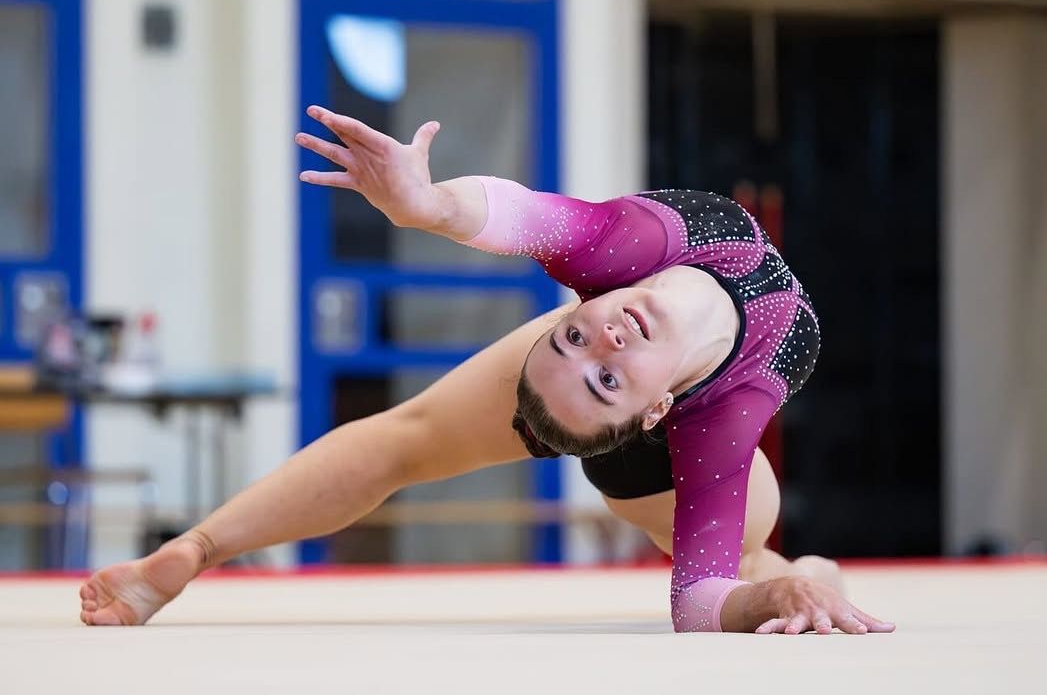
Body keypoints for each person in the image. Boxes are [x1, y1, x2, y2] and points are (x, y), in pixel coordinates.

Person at [78, 106, 895, 635]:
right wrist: (428, 207)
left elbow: (698, 603)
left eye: (594, 361)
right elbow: (518, 214)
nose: (603, 341)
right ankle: (192, 551)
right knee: (410, 438)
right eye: (580, 344)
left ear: (652, 411)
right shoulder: (677, 323)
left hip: (655, 456)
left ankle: (808, 577)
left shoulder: (683, 344)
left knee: (758, 559)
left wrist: (425, 205)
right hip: (626, 426)